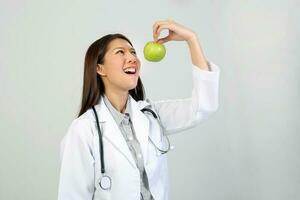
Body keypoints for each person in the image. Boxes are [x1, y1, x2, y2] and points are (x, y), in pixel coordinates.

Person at [58, 19, 220, 200]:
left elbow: (203, 106)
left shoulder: (151, 115)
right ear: (100, 68)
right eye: (120, 52)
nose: (132, 58)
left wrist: (191, 39)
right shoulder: (83, 130)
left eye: (133, 52)